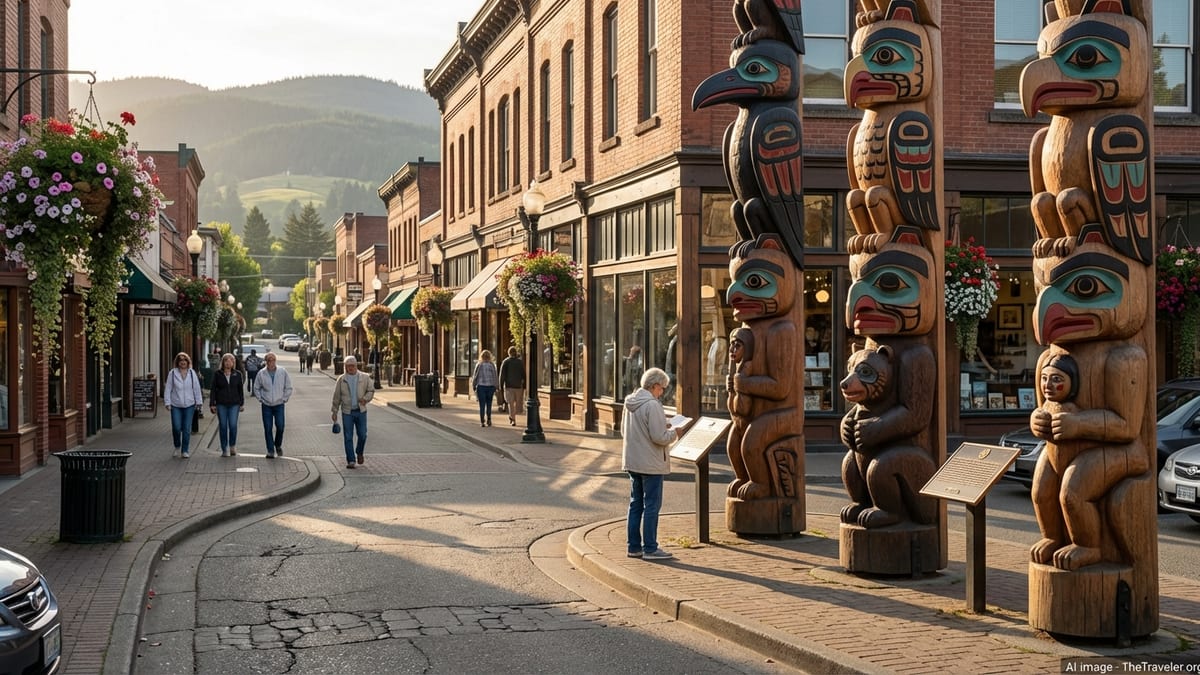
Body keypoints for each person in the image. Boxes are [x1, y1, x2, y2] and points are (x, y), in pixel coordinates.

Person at [621, 367, 682, 561]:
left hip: (633, 461)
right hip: (651, 464)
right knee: (652, 506)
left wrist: (663, 426)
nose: (662, 392)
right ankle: (650, 548)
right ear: (654, 386)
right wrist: (675, 433)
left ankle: (633, 547)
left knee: (635, 504)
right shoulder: (653, 405)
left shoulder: (630, 402)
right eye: (661, 388)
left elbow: (626, 431)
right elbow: (659, 437)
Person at [331, 355, 374, 469]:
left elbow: (371, 390)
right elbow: (336, 397)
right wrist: (334, 411)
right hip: (347, 412)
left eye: (352, 366)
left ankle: (359, 452)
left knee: (363, 435)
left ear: (356, 366)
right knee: (348, 436)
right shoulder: (341, 379)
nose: (350, 368)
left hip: (360, 411)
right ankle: (351, 460)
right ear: (345, 367)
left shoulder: (364, 377)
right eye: (348, 366)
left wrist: (365, 399)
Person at [252, 352, 293, 458]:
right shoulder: (261, 373)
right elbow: (256, 387)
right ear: (266, 362)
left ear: (276, 361)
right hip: (266, 405)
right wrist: (260, 398)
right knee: (268, 428)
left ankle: (278, 444)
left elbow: (288, 386)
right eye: (269, 360)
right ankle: (270, 450)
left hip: (279, 404)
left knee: (280, 426)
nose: (271, 362)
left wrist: (284, 398)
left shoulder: (282, 371)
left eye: (273, 360)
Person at [163, 352, 203, 459]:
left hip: (189, 405)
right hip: (176, 404)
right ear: (178, 362)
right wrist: (167, 402)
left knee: (186, 428)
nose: (183, 363)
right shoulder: (172, 373)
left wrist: (199, 402)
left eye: (185, 361)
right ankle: (177, 446)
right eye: (181, 361)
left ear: (188, 362)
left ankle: (185, 450)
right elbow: (168, 389)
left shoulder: (192, 373)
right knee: (176, 427)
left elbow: (196, 388)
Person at [208, 353, 245, 457]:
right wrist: (212, 404)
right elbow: (213, 390)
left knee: (233, 425)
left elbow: (240, 390)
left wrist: (241, 403)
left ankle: (232, 445)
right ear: (223, 362)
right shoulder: (217, 374)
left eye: (231, 361)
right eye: (226, 360)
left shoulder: (237, 374)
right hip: (221, 404)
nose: (228, 363)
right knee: (223, 426)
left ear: (233, 363)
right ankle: (224, 448)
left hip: (234, 404)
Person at [497, 346, 526, 427]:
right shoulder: (520, 362)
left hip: (509, 386)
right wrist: (524, 385)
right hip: (518, 386)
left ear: (509, 353)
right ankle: (513, 417)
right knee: (517, 403)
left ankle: (512, 418)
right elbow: (523, 373)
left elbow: (502, 375)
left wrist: (500, 385)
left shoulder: (505, 362)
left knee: (510, 403)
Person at [471, 350, 499, 427]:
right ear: (490, 357)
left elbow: (475, 376)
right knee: (489, 404)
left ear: (482, 356)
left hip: (481, 387)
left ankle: (482, 421)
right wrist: (496, 385)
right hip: (490, 387)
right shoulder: (492, 365)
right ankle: (489, 419)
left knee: (482, 405)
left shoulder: (479, 365)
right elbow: (495, 376)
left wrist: (473, 385)